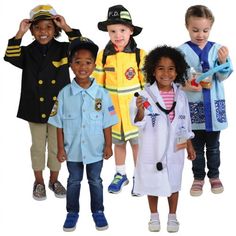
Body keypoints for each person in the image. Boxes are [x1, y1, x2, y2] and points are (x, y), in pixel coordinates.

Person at [4, 5, 82, 200]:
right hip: (35, 106)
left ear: (55, 29)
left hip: (59, 108)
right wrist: (19, 32)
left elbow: (82, 48)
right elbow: (10, 56)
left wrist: (67, 27)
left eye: (48, 27)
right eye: (38, 28)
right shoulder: (27, 52)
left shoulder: (65, 49)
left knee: (57, 147)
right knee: (38, 146)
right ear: (32, 31)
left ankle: (54, 180)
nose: (43, 32)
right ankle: (38, 181)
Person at [48, 37, 118, 232]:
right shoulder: (64, 94)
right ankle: (72, 213)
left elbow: (108, 122)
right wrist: (61, 149)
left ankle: (98, 211)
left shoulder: (102, 94)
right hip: (72, 151)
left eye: (87, 62)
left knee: (95, 180)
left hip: (96, 149)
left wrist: (108, 145)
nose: (82, 66)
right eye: (77, 62)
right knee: (73, 181)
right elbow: (59, 125)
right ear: (71, 65)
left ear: (94, 65)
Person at [130, 45, 196, 232]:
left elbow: (185, 123)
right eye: (161, 68)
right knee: (152, 183)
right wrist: (141, 109)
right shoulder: (144, 95)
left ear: (178, 71)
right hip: (153, 148)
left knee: (174, 182)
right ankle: (154, 216)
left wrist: (190, 145)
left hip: (175, 149)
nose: (166, 73)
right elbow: (138, 122)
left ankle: (173, 217)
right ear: (152, 70)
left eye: (171, 69)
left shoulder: (181, 96)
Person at [179, 5, 233, 197]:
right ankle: (198, 177)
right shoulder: (181, 51)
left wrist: (223, 61)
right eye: (195, 30)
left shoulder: (218, 49)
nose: (200, 34)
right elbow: (176, 79)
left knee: (214, 146)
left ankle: (215, 175)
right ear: (187, 26)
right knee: (196, 146)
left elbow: (224, 75)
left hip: (213, 106)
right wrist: (185, 85)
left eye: (205, 30)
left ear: (210, 28)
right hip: (194, 108)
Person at [93, 4, 146, 195]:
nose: (118, 35)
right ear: (107, 32)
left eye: (123, 30)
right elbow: (97, 86)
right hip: (113, 111)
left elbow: (146, 87)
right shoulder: (103, 56)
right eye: (113, 31)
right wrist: (97, 108)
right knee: (119, 143)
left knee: (137, 144)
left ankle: (139, 177)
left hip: (135, 111)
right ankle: (120, 174)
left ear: (131, 31)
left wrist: (146, 108)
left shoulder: (139, 56)